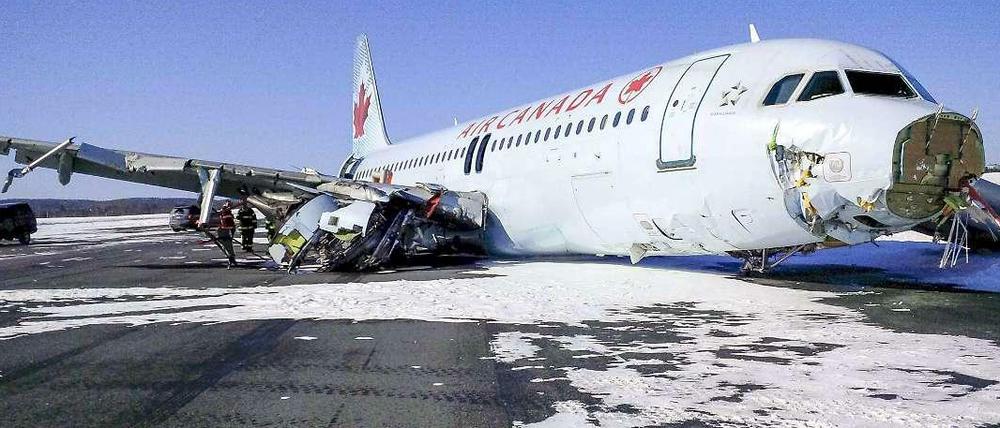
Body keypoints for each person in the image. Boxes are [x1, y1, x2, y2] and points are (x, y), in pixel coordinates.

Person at [217, 201, 238, 268]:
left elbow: (231, 224)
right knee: (227, 245)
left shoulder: (227, 213)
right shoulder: (225, 211)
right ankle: (231, 258)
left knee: (228, 246)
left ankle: (231, 258)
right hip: (223, 231)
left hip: (226, 231)